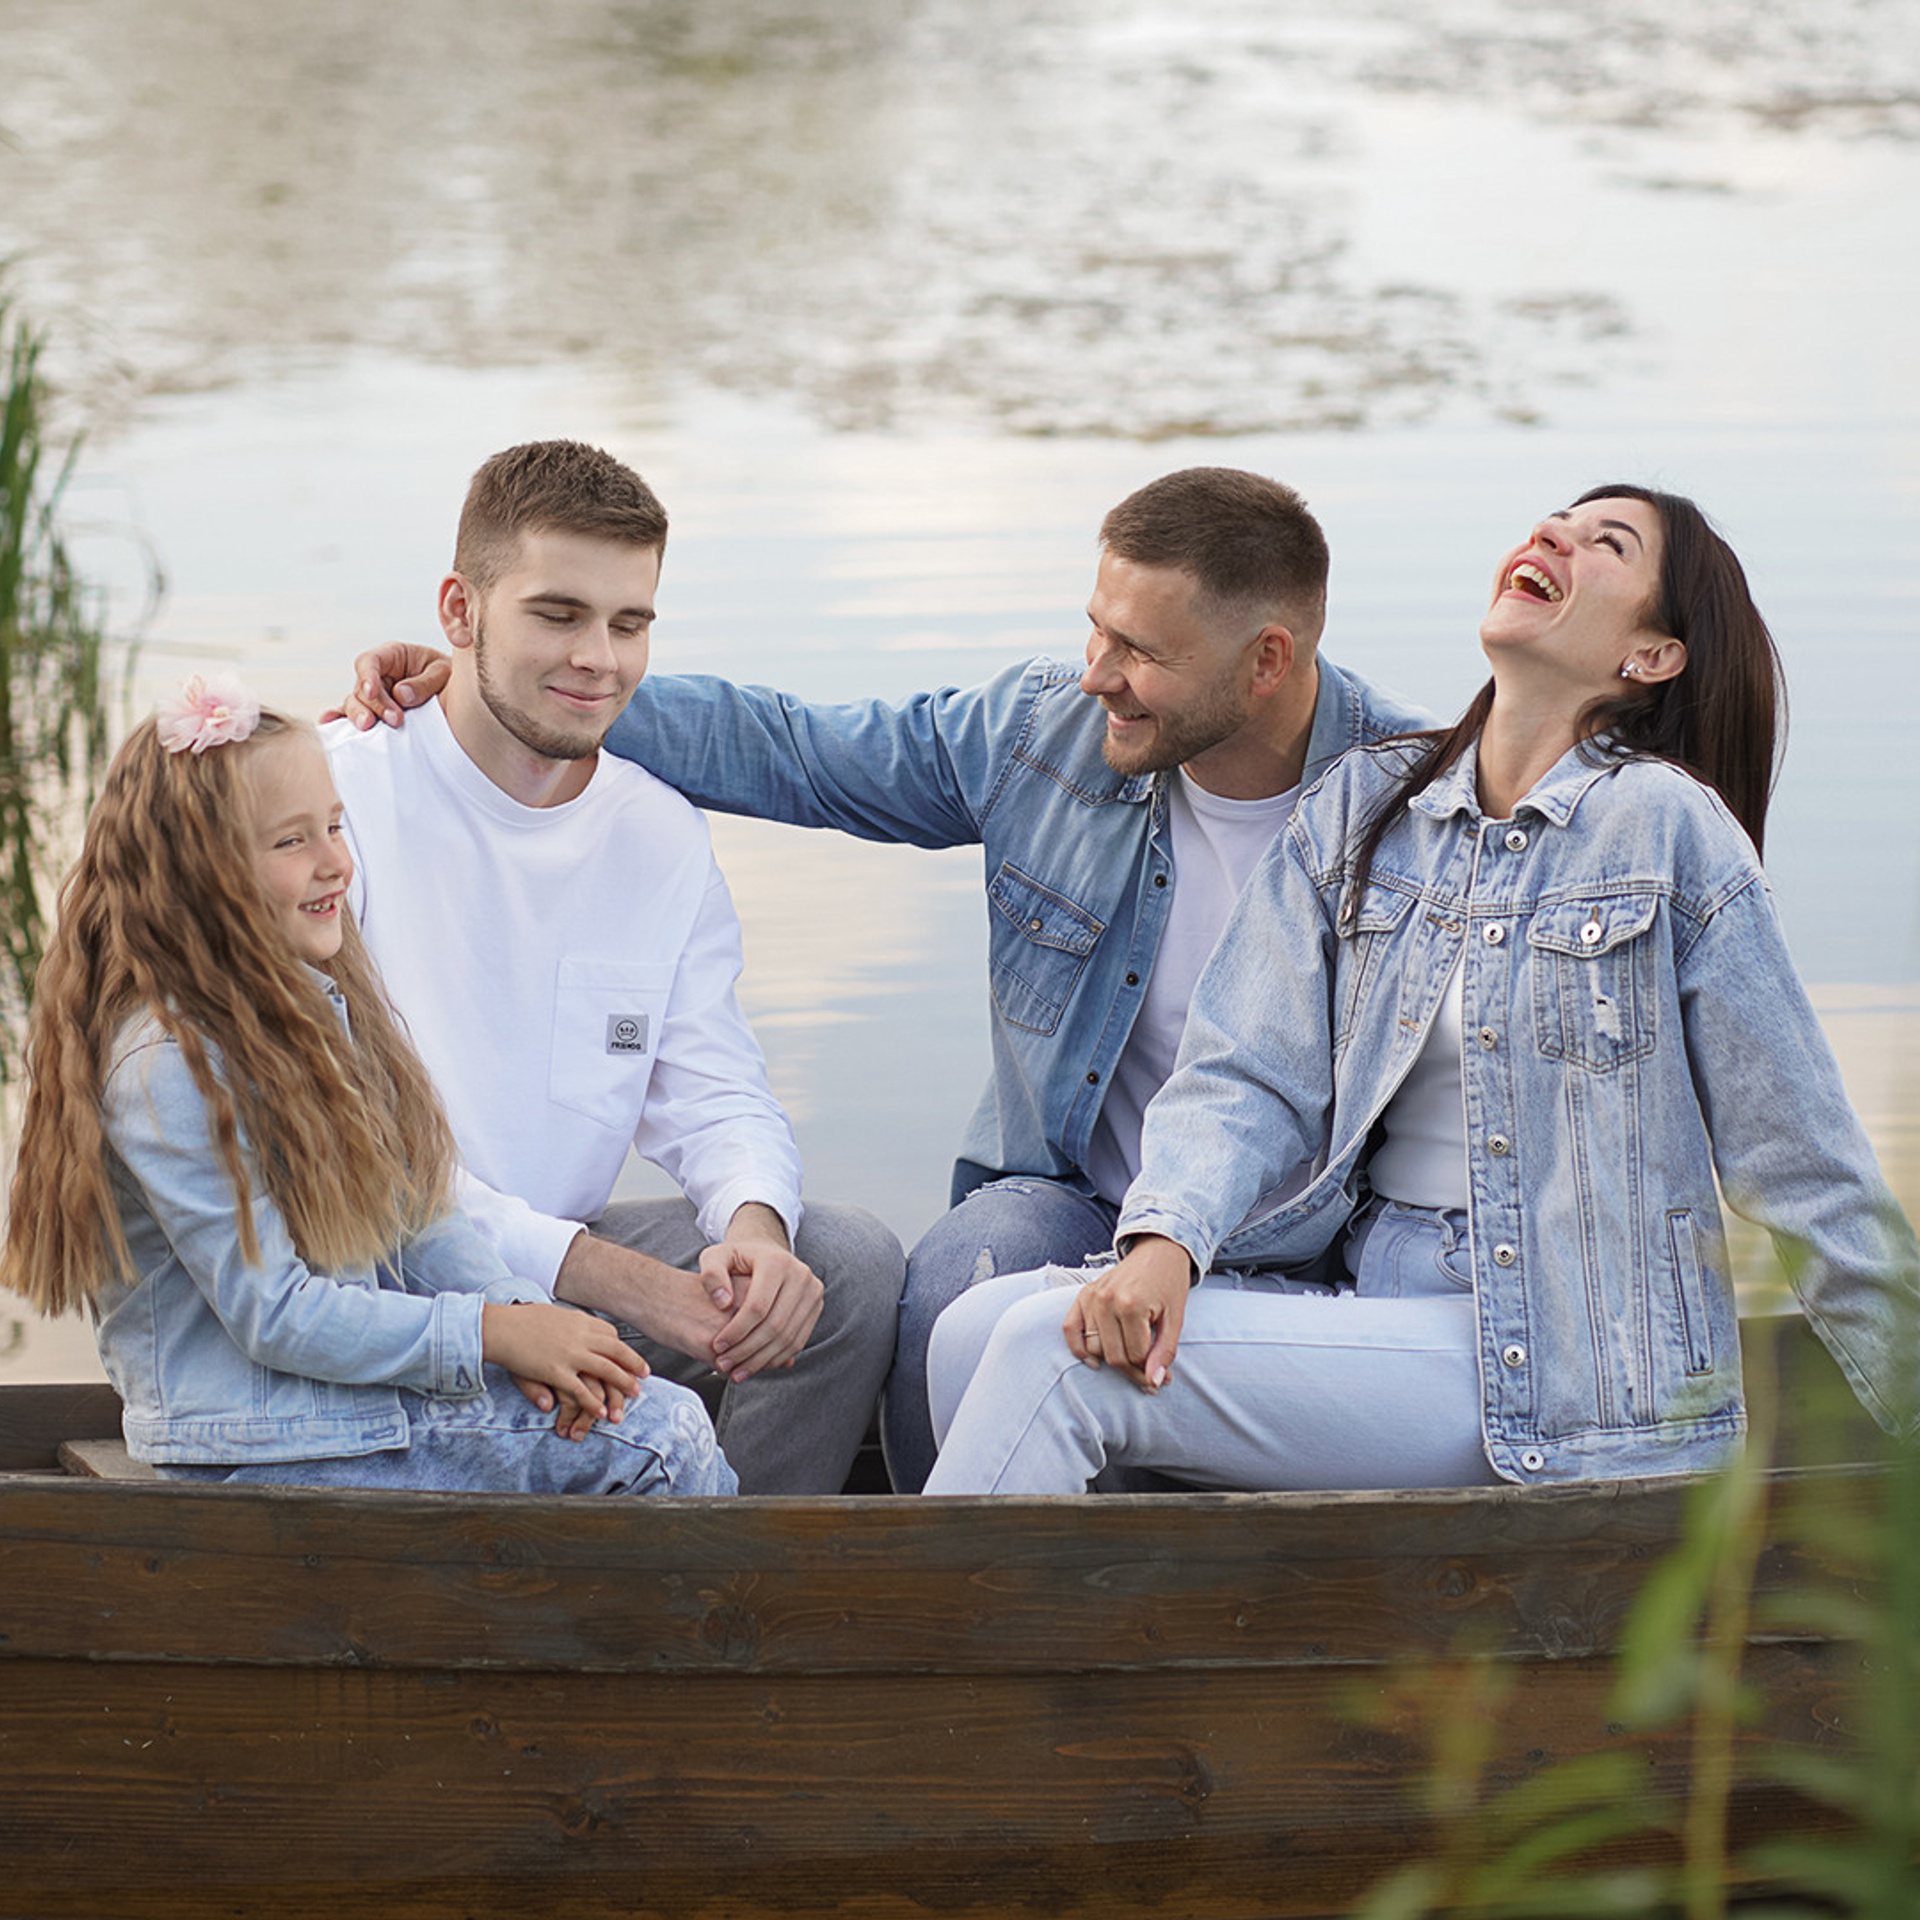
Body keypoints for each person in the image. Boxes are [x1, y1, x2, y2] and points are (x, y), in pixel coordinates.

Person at [338, 466, 1429, 1489]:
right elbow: (799, 750)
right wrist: (512, 692)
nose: (1095, 673)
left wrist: (547, 669)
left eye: (1137, 651)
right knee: (960, 1277)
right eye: (1094, 631)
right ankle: (911, 1563)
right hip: (1074, 1196)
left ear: (1268, 661)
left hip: (1298, 1232)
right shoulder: (1044, 735)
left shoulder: (1412, 813)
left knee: (838, 1264)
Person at [922, 485, 1920, 1494]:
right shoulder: (1367, 806)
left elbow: (1807, 1172)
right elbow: (1245, 1076)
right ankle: (1099, 1632)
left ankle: (924, 1652)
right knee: (972, 1333)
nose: (1553, 536)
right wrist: (1164, 1241)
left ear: (1651, 656)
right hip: (1383, 1304)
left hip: (1572, 1371)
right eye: (1555, 522)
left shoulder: (1667, 832)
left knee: (1049, 1361)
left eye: (1605, 543)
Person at [323, 441, 902, 1496]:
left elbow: (716, 1090)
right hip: (384, 1294)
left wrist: (755, 1235)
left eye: (629, 624)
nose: (600, 657)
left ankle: (733, 1598)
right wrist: (622, 1281)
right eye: (558, 615)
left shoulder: (657, 834)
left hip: (556, 1271)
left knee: (842, 1267)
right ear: (460, 612)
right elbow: (340, 1168)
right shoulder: (333, 809)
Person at [0, 682, 734, 1496]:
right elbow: (273, 1314)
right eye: (291, 842)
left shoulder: (305, 1008)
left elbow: (414, 1218)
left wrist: (523, 1314)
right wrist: (487, 1335)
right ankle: (704, 1624)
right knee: (661, 1439)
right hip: (253, 1439)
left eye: (336, 826)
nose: (334, 863)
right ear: (200, 875)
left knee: (626, 1397)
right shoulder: (171, 1065)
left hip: (327, 1406)